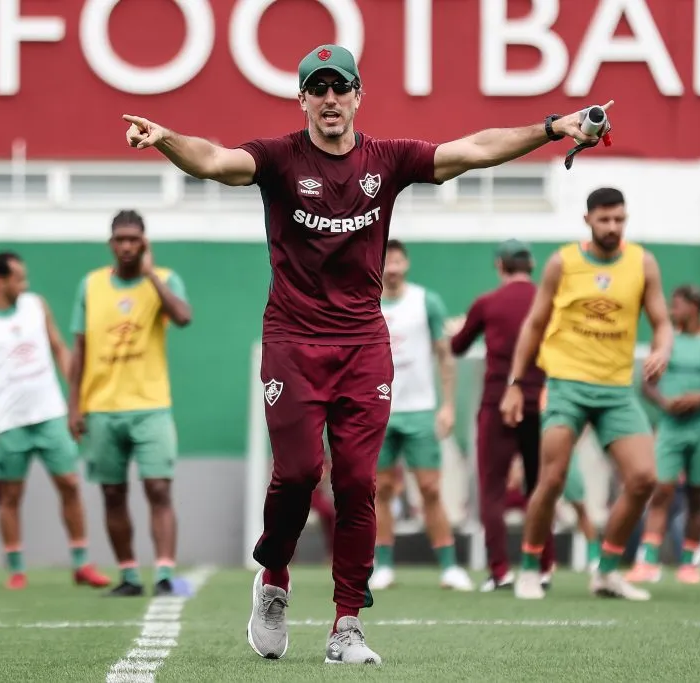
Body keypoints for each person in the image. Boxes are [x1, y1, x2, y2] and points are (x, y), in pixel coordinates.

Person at [123, 43, 612, 663]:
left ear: (358, 95)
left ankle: (346, 624)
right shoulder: (278, 159)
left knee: (358, 482)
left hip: (362, 344)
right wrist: (166, 138)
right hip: (293, 341)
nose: (330, 98)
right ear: (302, 99)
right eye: (318, 88)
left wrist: (552, 128)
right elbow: (216, 162)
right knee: (300, 473)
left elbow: (472, 150)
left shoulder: (388, 160)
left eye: (340, 87)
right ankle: (273, 578)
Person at [500, 187, 672, 602]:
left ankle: (606, 572)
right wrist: (515, 384)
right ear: (588, 220)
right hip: (567, 386)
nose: (612, 227)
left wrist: (662, 349)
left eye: (619, 219)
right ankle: (529, 569)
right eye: (604, 219)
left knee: (644, 478)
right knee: (552, 479)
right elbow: (534, 324)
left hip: (616, 390)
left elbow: (662, 322)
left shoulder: (643, 262)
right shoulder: (563, 263)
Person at [0, 252, 109, 590]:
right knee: (10, 495)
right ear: (0, 281)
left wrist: (77, 398)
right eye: (19, 279)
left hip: (50, 415)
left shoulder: (36, 306)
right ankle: (16, 569)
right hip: (7, 422)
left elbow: (59, 348)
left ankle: (82, 563)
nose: (24, 285)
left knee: (70, 483)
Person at [68, 210, 192, 598]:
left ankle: (165, 573)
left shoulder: (166, 279)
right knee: (112, 492)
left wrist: (151, 275)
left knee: (158, 488)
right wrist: (74, 406)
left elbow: (183, 317)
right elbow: (79, 349)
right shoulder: (90, 285)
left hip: (151, 406)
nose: (126, 246)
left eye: (133, 239)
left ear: (144, 243)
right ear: (111, 244)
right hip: (102, 408)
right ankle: (129, 576)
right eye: (120, 239)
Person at [449, 239, 556, 591]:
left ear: (500, 266)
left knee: (492, 489)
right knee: (541, 487)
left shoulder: (488, 302)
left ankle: (500, 571)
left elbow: (458, 346)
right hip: (540, 403)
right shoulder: (549, 302)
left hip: (498, 402)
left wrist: (455, 328)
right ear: (532, 266)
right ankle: (543, 567)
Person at [370, 240, 473, 592]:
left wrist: (448, 405)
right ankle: (383, 566)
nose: (392, 268)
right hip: (378, 411)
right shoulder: (366, 301)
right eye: (387, 262)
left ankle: (449, 567)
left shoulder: (425, 301)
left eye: (398, 261)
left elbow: (444, 355)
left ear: (407, 264)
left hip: (419, 410)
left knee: (430, 488)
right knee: (381, 489)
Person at [627, 284, 700, 586]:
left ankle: (689, 563)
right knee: (661, 491)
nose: (672, 311)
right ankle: (648, 562)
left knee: (697, 495)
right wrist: (665, 402)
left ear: (695, 307)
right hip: (670, 427)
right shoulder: (665, 341)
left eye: (678, 305)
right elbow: (646, 384)